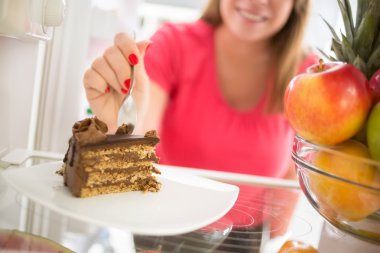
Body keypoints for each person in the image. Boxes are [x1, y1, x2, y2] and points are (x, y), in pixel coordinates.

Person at [84, 0, 317, 251]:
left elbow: (294, 167)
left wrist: (276, 231)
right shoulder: (174, 43)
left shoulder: (307, 73)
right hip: (163, 223)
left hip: (245, 237)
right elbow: (142, 135)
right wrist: (116, 122)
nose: (258, 1)